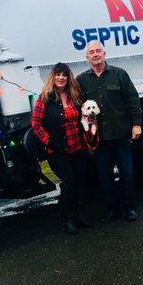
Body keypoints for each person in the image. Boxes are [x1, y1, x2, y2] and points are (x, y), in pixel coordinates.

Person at [76, 41, 142, 222]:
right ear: (87, 57)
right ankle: (113, 209)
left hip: (120, 134)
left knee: (127, 174)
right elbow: (77, 107)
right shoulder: (81, 80)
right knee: (105, 177)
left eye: (98, 51)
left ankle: (129, 209)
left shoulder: (119, 74)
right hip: (99, 140)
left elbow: (132, 99)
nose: (95, 54)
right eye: (92, 52)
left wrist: (136, 124)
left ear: (104, 54)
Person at [31, 62, 93, 235]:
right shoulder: (44, 98)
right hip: (58, 151)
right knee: (69, 183)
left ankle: (81, 215)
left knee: (80, 182)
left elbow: (85, 116)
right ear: (53, 76)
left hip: (78, 147)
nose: (61, 78)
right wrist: (49, 141)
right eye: (58, 74)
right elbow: (36, 125)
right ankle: (69, 219)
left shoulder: (74, 95)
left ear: (68, 77)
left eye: (64, 75)